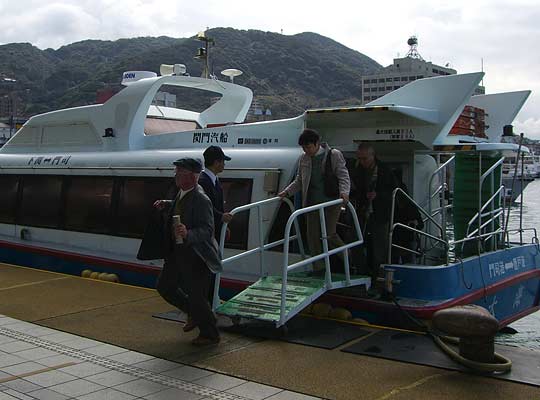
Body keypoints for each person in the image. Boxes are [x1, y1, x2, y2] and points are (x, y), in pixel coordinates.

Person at [153, 157, 221, 346]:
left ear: (192, 177)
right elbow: (180, 205)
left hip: (197, 256)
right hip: (178, 253)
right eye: (176, 172)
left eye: (180, 172)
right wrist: (167, 204)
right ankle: (194, 314)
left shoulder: (201, 198)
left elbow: (207, 230)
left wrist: (188, 233)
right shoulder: (183, 192)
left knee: (197, 296)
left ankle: (210, 333)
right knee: (165, 287)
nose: (176, 176)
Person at [278, 128, 350, 275]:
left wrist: (344, 192)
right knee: (312, 237)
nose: (306, 150)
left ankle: (348, 258)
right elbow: (299, 181)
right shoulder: (304, 158)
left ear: (317, 144)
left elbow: (343, 175)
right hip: (311, 203)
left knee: (330, 234)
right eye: (303, 148)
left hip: (331, 203)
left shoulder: (333, 155)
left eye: (308, 147)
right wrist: (287, 192)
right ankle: (319, 268)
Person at [351, 143, 398, 282]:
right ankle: (361, 273)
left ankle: (378, 277)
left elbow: (395, 191)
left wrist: (378, 195)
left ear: (373, 156)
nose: (362, 161)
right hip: (362, 212)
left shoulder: (384, 170)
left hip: (380, 213)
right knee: (356, 243)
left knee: (380, 247)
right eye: (359, 158)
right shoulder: (357, 169)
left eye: (364, 158)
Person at [199, 146, 234, 242]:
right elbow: (203, 206)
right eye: (223, 161)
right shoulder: (203, 181)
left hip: (214, 230)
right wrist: (221, 217)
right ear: (216, 163)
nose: (224, 164)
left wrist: (223, 226)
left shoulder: (214, 180)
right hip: (207, 233)